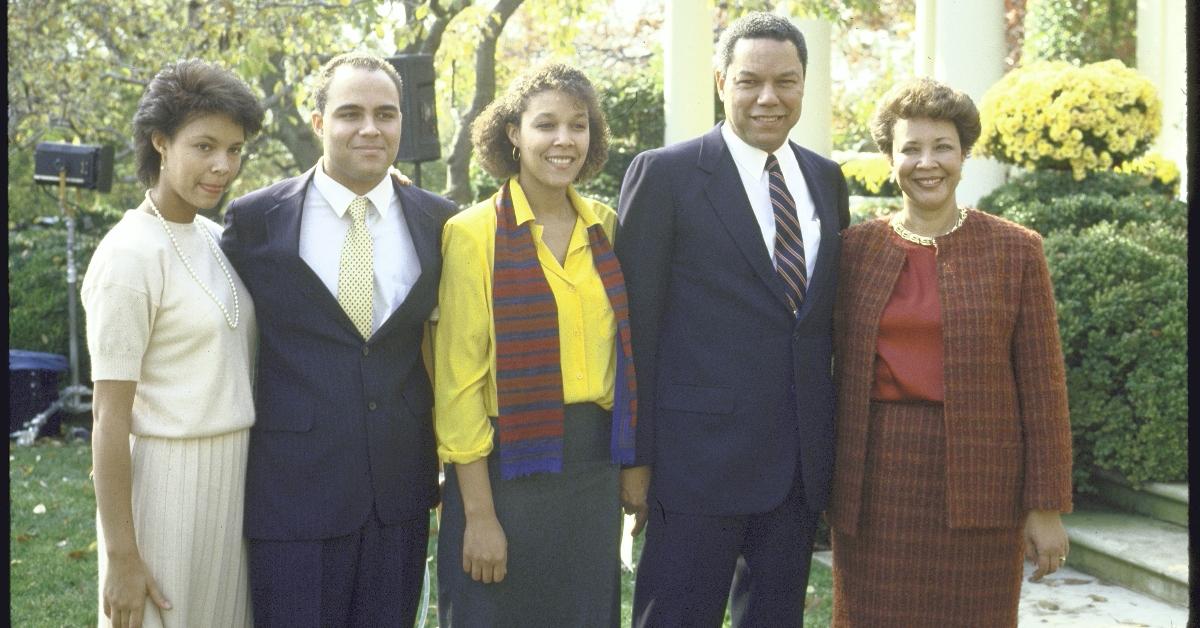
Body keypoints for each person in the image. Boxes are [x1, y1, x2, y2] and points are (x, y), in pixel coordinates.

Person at [616, 12, 849, 627]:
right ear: (721, 82)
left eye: (786, 81)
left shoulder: (827, 180)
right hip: (695, 466)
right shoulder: (664, 175)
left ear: (805, 84)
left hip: (797, 468)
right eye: (749, 81)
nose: (768, 97)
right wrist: (635, 461)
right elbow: (634, 324)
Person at [219, 52, 457, 627]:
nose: (370, 128)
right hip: (292, 491)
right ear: (319, 122)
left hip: (397, 491)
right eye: (351, 113)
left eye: (386, 114)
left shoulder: (442, 223)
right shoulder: (255, 221)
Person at [827, 77, 1073, 626]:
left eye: (942, 146)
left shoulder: (1016, 251)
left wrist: (1046, 507)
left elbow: (1043, 388)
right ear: (889, 158)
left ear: (964, 154)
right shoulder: (854, 251)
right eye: (909, 148)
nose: (927, 162)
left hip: (983, 485)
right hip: (875, 486)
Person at [433, 62, 636, 627]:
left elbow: (627, 358)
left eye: (578, 125)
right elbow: (458, 384)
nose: (564, 140)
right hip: (504, 472)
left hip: (590, 470)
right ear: (514, 134)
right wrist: (478, 515)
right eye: (546, 125)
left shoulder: (607, 227)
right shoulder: (473, 234)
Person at [83, 59, 264, 628]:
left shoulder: (215, 237)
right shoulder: (128, 255)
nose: (222, 167)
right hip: (166, 488)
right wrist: (122, 556)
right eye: (205, 146)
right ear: (160, 142)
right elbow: (109, 418)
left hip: (233, 481)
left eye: (234, 150)